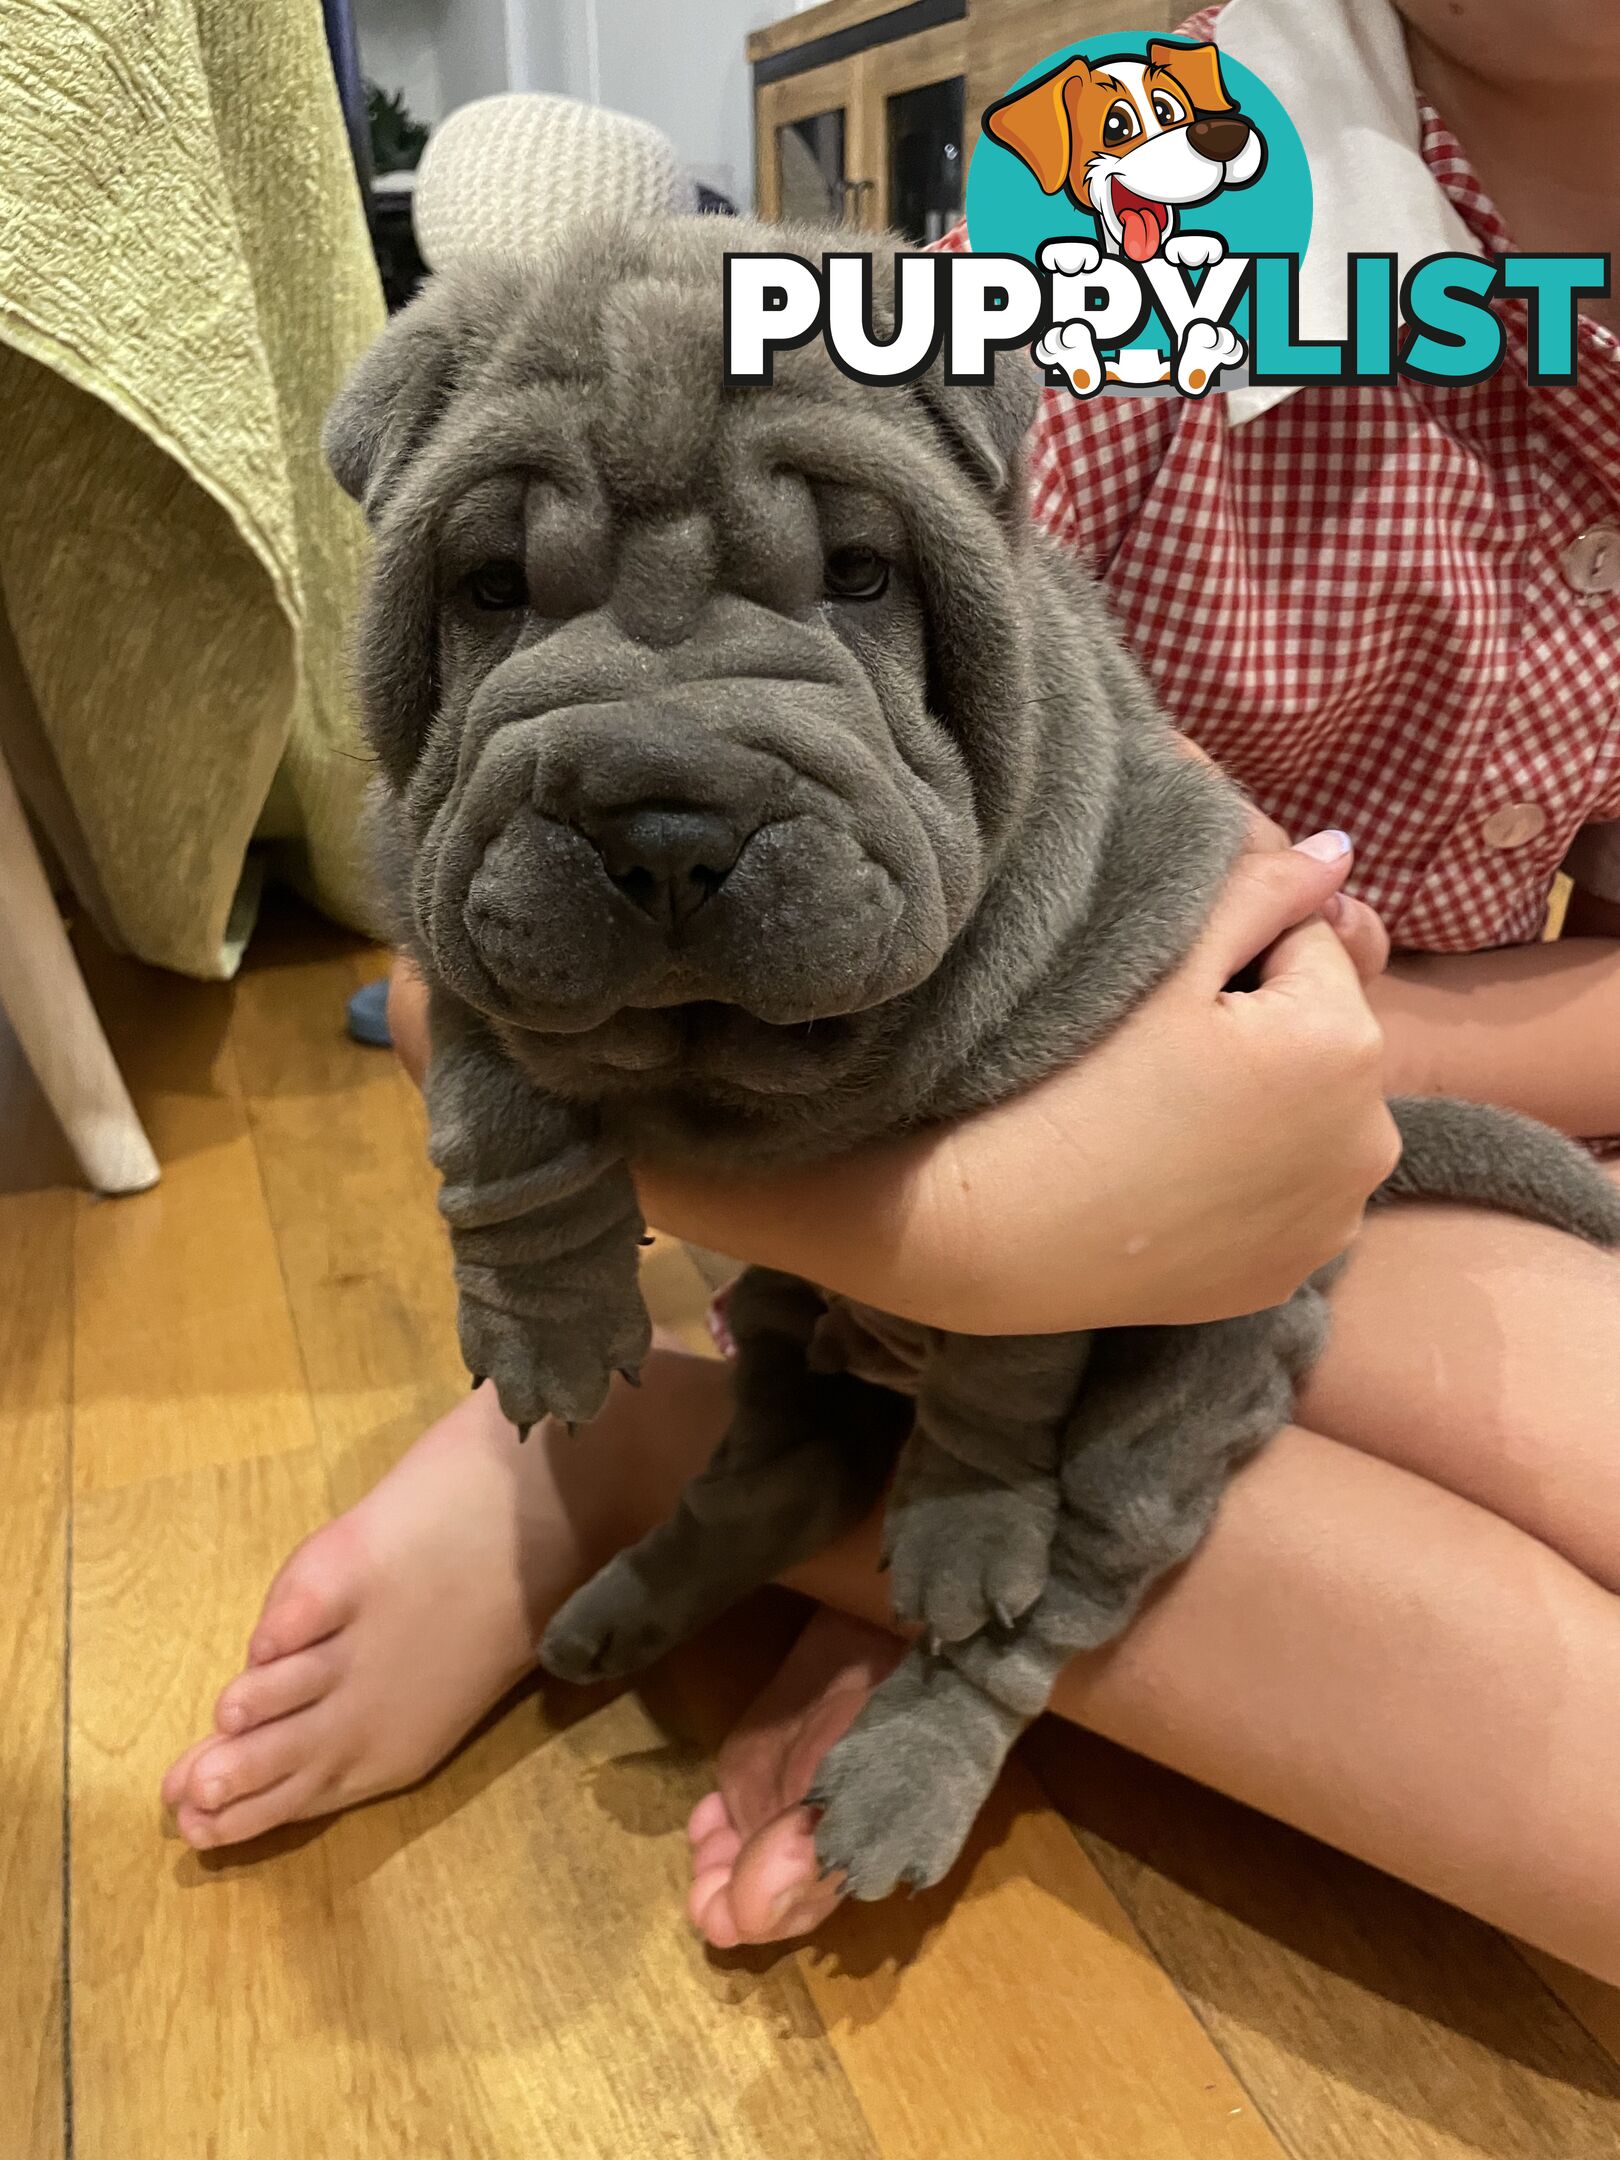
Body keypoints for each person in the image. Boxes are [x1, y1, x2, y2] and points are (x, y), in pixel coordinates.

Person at [163, 0, 1620, 1979]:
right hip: (1008, 1106)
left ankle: (689, 1462)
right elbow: (462, 990)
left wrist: (1287, 1086)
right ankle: (726, 1448)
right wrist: (991, 1231)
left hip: (1357, 1121)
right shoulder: (1130, 174)